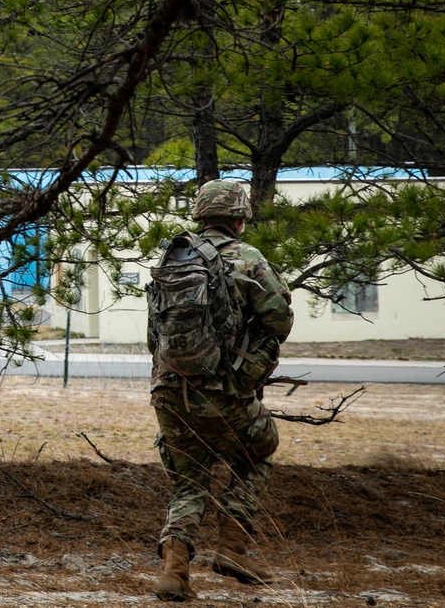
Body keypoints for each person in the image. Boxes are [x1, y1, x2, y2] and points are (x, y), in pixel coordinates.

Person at [149, 179, 294, 601]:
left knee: (189, 481)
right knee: (259, 452)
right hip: (224, 393)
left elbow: (153, 335)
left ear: (199, 215)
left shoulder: (173, 258)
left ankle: (174, 572)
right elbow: (280, 322)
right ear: (239, 219)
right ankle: (232, 548)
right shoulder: (249, 259)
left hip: (170, 391)